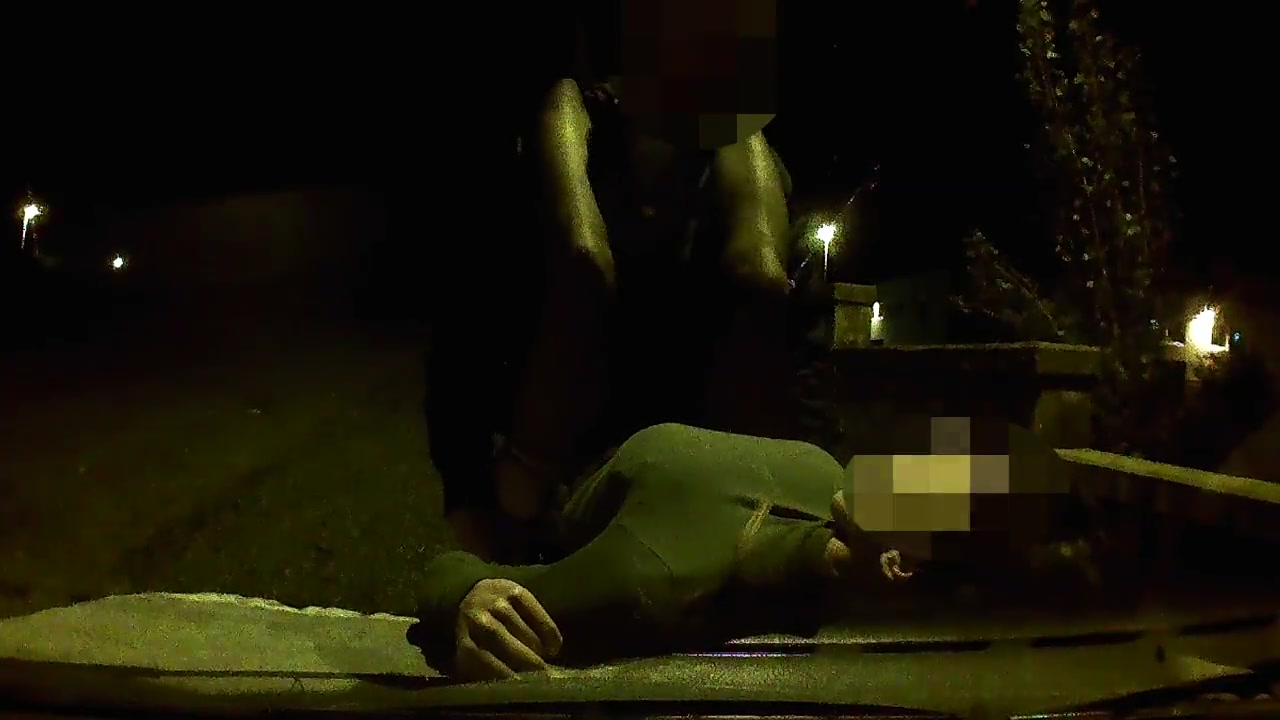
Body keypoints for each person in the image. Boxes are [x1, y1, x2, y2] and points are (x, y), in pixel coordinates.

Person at [427, 3, 797, 565]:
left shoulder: (745, 190)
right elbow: (465, 335)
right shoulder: (541, 176)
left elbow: (792, 340)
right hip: (556, 501)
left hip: (698, 504)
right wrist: (476, 498)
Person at [407, 417, 1102, 681]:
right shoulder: (819, 470)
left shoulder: (654, 577)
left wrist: (467, 595)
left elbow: (455, 574)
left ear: (902, 562)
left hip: (569, 483)